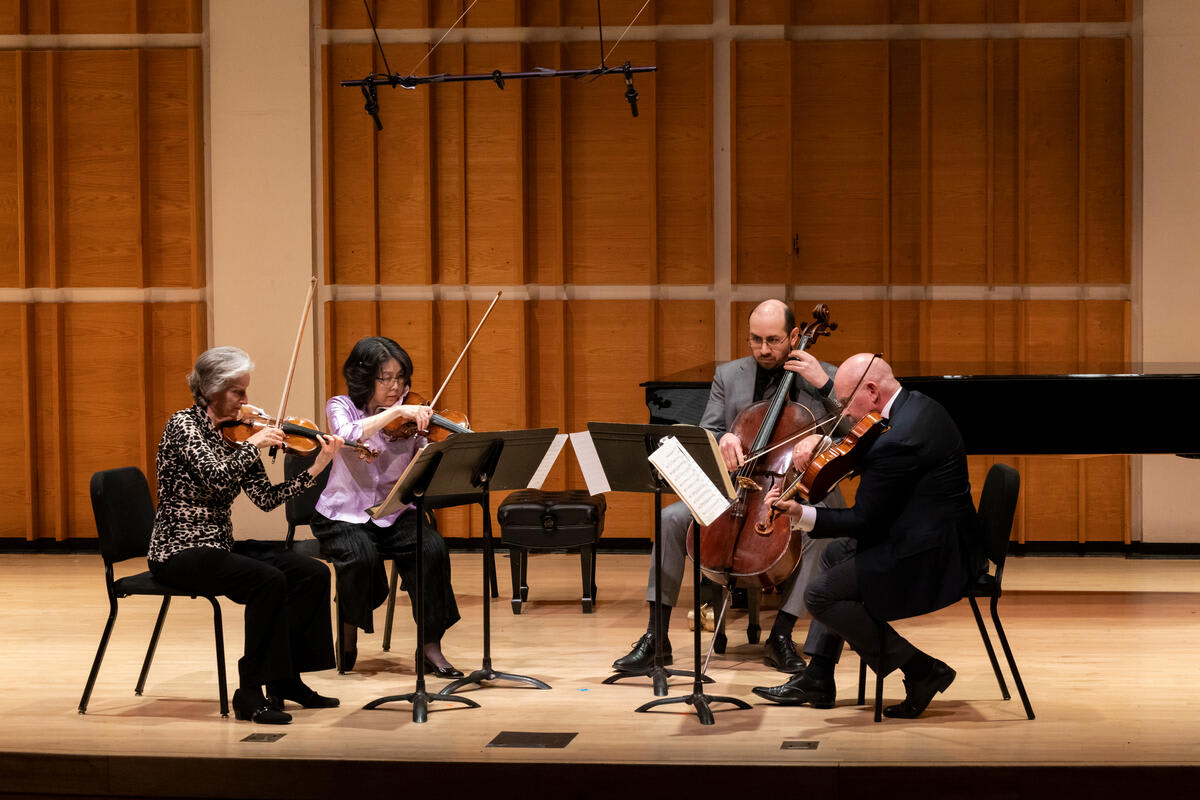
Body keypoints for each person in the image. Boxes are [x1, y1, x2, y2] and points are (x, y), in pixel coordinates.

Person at [613, 299, 846, 675]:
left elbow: (855, 433)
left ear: (794, 335)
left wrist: (823, 414)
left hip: (799, 488)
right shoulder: (730, 374)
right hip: (738, 487)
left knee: (824, 533)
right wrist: (722, 440)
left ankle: (782, 635)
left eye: (772, 340)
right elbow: (709, 430)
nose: (763, 350)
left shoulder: (825, 376)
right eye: (755, 340)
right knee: (670, 519)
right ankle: (656, 636)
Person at [752, 353, 976, 718]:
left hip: (933, 554)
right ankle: (820, 675)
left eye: (843, 402)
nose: (843, 413)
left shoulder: (898, 439)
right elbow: (865, 455)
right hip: (931, 531)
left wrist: (801, 514)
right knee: (833, 555)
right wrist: (827, 445)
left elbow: (864, 520)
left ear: (871, 391)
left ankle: (922, 669)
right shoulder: (913, 406)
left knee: (820, 595)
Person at [148, 346, 343, 725]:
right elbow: (217, 478)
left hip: (218, 546)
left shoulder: (237, 434)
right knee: (266, 580)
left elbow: (266, 500)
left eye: (245, 390)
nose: (246, 401)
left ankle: (286, 680)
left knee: (311, 572)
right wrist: (254, 446)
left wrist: (317, 466)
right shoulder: (183, 427)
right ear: (212, 390)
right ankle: (249, 692)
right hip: (179, 549)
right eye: (238, 391)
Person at [310, 336, 463, 678]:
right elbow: (349, 433)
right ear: (365, 378)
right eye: (386, 378)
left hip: (393, 512)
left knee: (433, 548)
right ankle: (349, 627)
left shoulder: (412, 414)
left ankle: (430, 646)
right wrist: (396, 412)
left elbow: (429, 463)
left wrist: (429, 441)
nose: (396, 387)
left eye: (401, 378)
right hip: (343, 514)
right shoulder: (341, 406)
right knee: (360, 557)